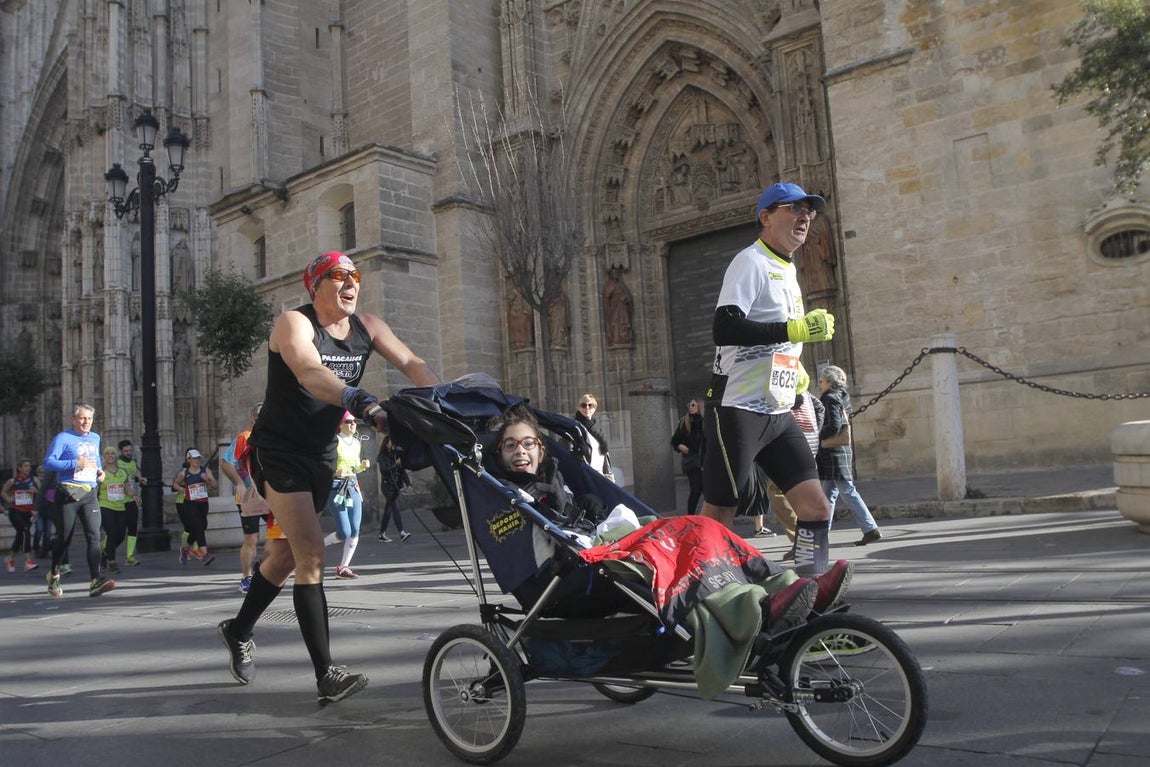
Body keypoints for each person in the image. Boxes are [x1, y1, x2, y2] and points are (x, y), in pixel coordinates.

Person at [216, 249, 438, 707]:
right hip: (278, 451)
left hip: (320, 454)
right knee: (312, 553)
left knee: (283, 557)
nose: (350, 282)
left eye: (354, 275)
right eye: (338, 275)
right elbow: (310, 372)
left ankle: (237, 630)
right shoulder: (293, 324)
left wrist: (443, 404)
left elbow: (412, 363)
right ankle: (326, 675)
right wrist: (362, 400)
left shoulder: (368, 327)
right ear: (314, 285)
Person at [487, 408, 839, 632]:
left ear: (541, 449)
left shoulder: (559, 481)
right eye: (510, 446)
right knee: (675, 558)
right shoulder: (505, 496)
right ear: (499, 455)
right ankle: (755, 609)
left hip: (608, 553)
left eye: (528, 443)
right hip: (573, 579)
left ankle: (784, 585)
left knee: (701, 527)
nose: (520, 451)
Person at [699, 181, 846, 597]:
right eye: (794, 209)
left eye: (810, 212)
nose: (805, 217)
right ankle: (705, 596)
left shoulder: (788, 268)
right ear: (766, 217)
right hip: (737, 409)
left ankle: (808, 592)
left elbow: (774, 341)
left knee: (816, 508)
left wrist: (793, 368)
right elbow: (724, 327)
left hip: (778, 412)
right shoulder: (750, 262)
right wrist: (795, 328)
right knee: (720, 512)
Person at [42, 403, 115, 598]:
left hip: (89, 494)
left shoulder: (95, 437)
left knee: (94, 537)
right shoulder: (63, 438)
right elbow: (48, 462)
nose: (86, 422)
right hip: (68, 493)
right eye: (82, 418)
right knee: (64, 539)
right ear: (73, 419)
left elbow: (96, 460)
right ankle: (54, 573)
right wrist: (76, 462)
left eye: (89, 419)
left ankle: (95, 580)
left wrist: (100, 473)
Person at [817, 365, 882, 546]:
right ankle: (821, 536)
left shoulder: (830, 398)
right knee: (828, 494)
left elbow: (834, 426)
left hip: (834, 453)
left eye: (821, 381)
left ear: (829, 382)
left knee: (847, 490)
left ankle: (870, 529)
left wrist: (817, 434)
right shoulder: (842, 396)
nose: (819, 384)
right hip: (839, 451)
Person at [219, 402, 265, 593]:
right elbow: (226, 463)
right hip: (250, 497)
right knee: (251, 539)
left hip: (273, 496)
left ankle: (261, 567)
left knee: (281, 538)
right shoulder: (244, 438)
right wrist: (239, 483)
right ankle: (246, 577)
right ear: (253, 418)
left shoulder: (276, 438)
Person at [322, 412, 369, 578]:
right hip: (336, 488)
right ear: (340, 424)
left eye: (354, 422)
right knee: (344, 532)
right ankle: (317, 547)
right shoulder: (334, 441)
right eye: (348, 422)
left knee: (355, 529)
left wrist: (361, 467)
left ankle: (343, 567)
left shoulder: (356, 443)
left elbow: (354, 467)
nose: (352, 424)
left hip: (352, 486)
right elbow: (324, 465)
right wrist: (335, 472)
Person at [172, 448, 218, 566]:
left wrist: (207, 480)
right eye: (194, 458)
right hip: (190, 503)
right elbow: (175, 484)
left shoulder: (205, 470)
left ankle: (185, 550)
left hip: (203, 502)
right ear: (188, 460)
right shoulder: (184, 473)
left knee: (201, 527)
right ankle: (205, 555)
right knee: (197, 525)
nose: (197, 461)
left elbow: (215, 485)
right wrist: (182, 489)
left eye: (198, 458)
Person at [97, 446, 131, 574]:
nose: (110, 455)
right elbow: (95, 489)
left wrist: (133, 496)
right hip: (105, 505)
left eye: (112, 453)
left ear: (115, 456)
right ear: (104, 457)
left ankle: (105, 552)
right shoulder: (100, 473)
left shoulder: (122, 472)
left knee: (121, 535)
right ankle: (112, 562)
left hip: (120, 506)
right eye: (107, 454)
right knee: (112, 533)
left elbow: (126, 488)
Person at [3, 458, 39, 572]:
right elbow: (3, 492)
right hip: (15, 511)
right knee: (25, 531)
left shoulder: (35, 480)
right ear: (20, 468)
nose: (28, 468)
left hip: (27, 513)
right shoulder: (13, 481)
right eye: (25, 466)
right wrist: (9, 499)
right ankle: (27, 561)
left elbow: (43, 494)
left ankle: (11, 558)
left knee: (20, 536)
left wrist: (35, 491)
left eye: (29, 466)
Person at [669, 399, 705, 514]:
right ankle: (691, 516)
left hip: (705, 462)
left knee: (707, 492)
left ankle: (708, 516)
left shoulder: (705, 422)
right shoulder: (684, 422)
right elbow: (674, 440)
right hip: (692, 462)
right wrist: (680, 446)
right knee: (696, 490)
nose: (690, 407)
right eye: (689, 404)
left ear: (700, 406)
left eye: (693, 405)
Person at [377, 433, 411, 543]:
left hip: (395, 485)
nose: (393, 444)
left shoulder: (396, 454)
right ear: (387, 443)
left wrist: (408, 483)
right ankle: (402, 533)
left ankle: (382, 533)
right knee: (395, 507)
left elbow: (402, 470)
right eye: (392, 442)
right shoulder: (382, 455)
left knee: (388, 510)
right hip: (387, 486)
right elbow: (384, 470)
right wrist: (395, 464)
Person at [573, 393, 614, 481]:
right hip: (585, 476)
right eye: (583, 405)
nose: (587, 408)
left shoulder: (597, 428)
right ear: (579, 408)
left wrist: (609, 476)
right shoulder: (574, 427)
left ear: (594, 408)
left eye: (590, 405)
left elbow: (604, 453)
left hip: (600, 475)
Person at [116, 440, 143, 566]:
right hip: (119, 501)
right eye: (126, 451)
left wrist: (140, 479)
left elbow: (131, 477)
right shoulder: (117, 463)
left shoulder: (132, 463)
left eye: (130, 450)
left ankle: (130, 556)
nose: (128, 453)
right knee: (118, 530)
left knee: (133, 527)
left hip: (131, 499)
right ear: (121, 451)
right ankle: (105, 549)